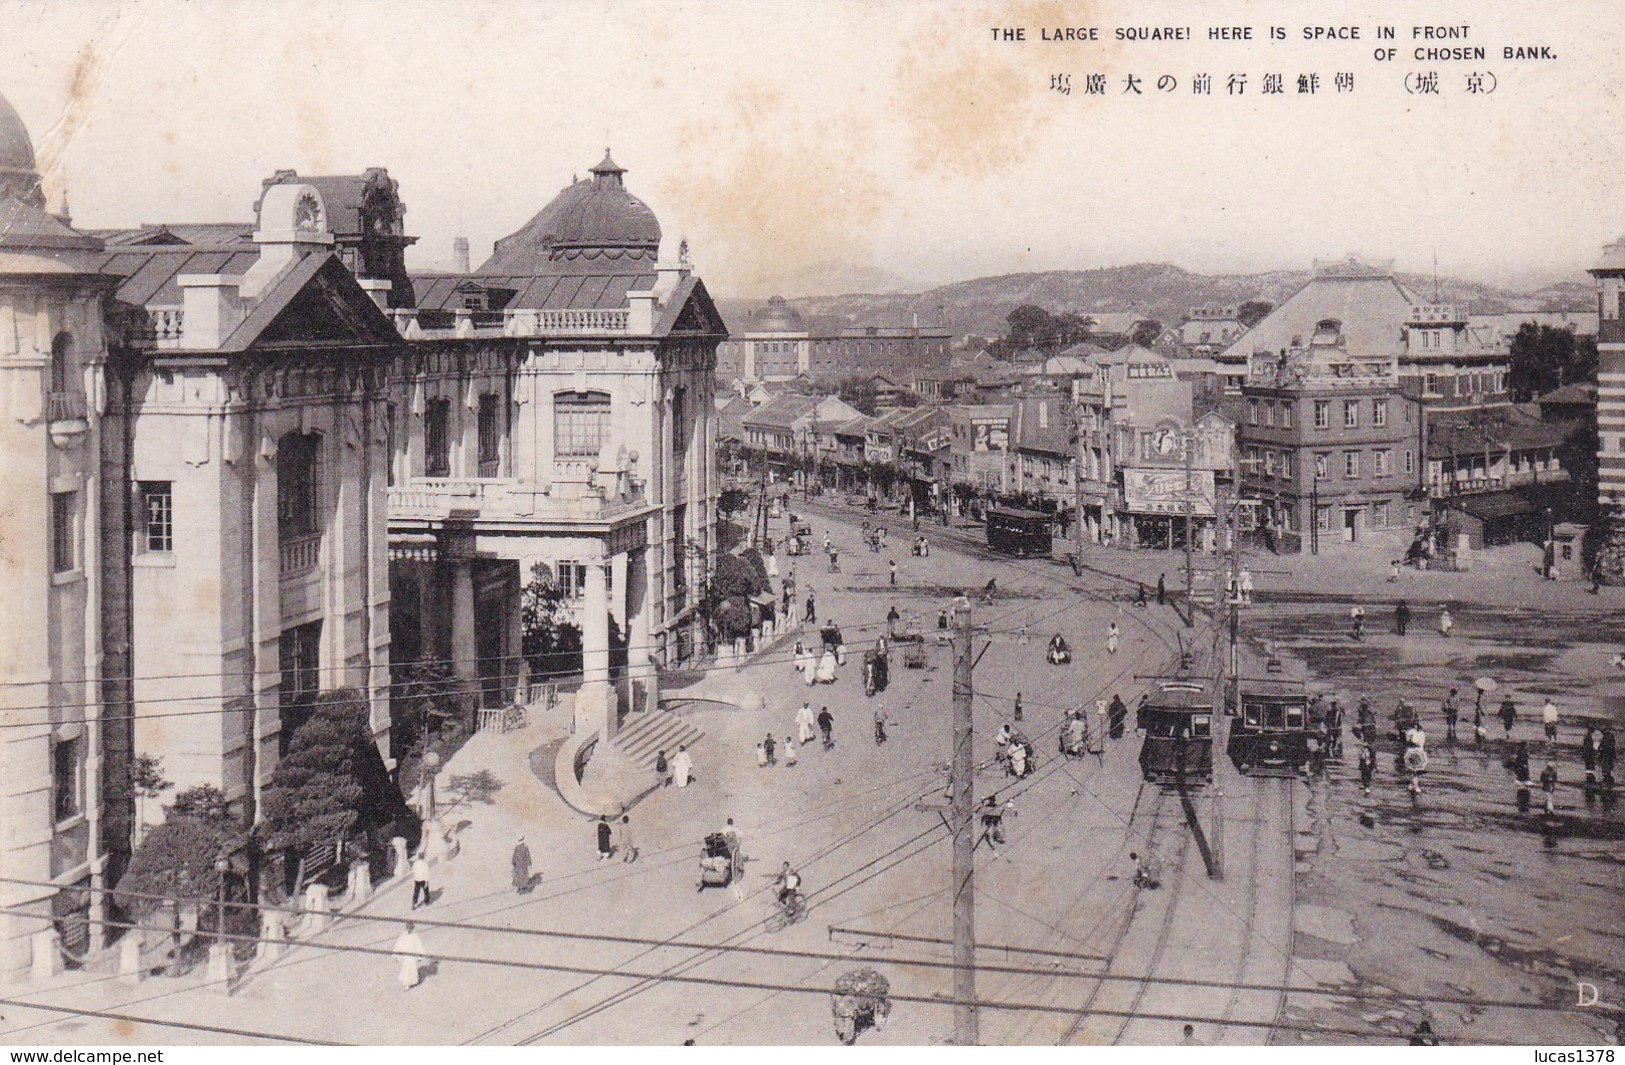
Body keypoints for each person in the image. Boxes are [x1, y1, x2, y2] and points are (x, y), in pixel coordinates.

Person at [392, 922, 427, 991]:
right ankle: (406, 982)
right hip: (405, 955)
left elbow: (419, 946)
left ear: (412, 928)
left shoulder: (415, 936)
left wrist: (420, 956)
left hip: (412, 956)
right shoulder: (403, 935)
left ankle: (409, 983)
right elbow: (398, 945)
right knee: (406, 968)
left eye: (410, 928)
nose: (409, 929)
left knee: (411, 968)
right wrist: (396, 955)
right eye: (408, 928)